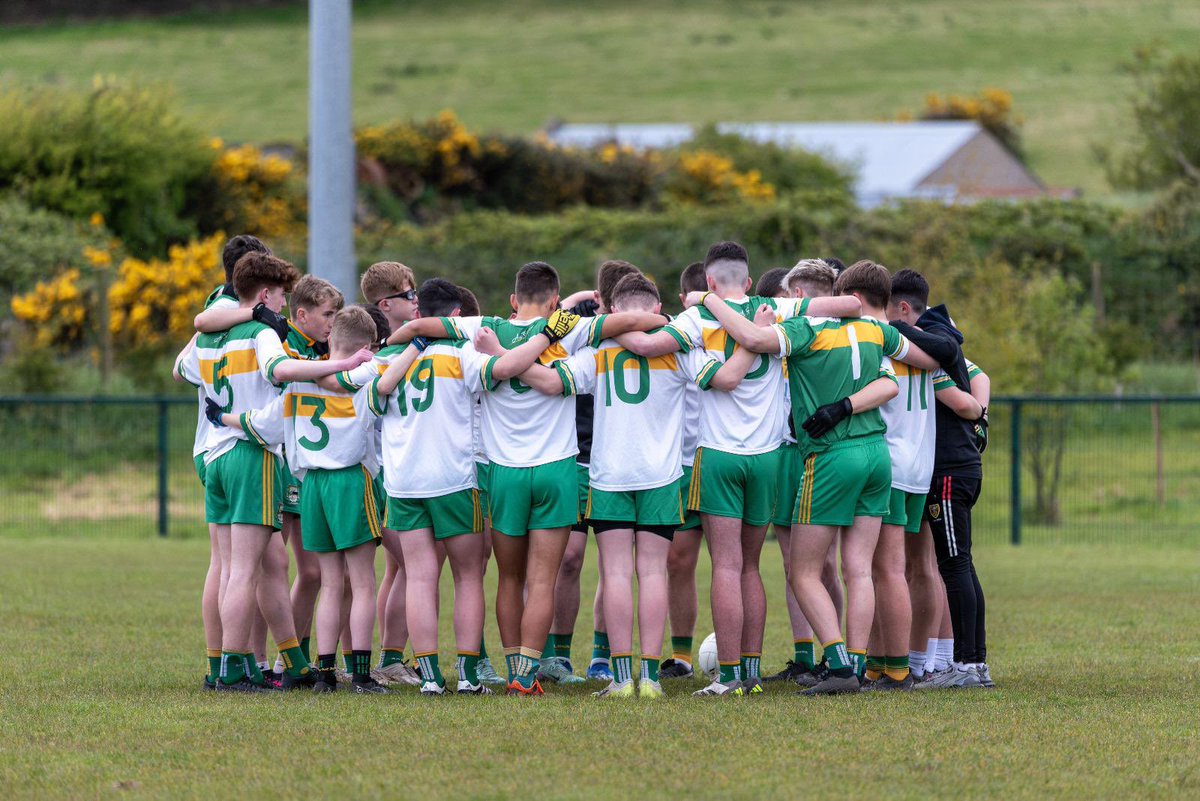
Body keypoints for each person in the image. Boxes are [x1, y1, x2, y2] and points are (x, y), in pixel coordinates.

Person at [392, 261, 668, 695]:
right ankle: (525, 677)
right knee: (543, 579)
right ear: (555, 301)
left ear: (513, 300)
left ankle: (508, 668)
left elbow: (411, 330)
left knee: (509, 578)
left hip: (504, 472)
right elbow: (631, 319)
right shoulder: (570, 330)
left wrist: (409, 335)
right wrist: (662, 319)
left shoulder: (487, 328)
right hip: (557, 469)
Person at [619, 242, 861, 697]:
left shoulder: (695, 320)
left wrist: (620, 321)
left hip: (720, 456)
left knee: (726, 567)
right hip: (769, 457)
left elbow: (646, 346)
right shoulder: (775, 307)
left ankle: (728, 675)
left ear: (709, 282)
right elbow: (850, 303)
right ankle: (750, 674)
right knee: (751, 566)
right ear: (748, 282)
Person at [692, 259, 939, 695]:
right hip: (877, 454)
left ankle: (839, 663)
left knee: (803, 571)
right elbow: (892, 384)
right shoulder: (873, 331)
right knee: (858, 569)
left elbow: (750, 337)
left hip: (830, 457)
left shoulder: (806, 332)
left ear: (809, 299)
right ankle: (859, 665)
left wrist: (707, 297)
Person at [187, 252, 372, 691]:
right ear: (266, 295)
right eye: (282, 295)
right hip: (252, 453)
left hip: (215, 454)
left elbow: (182, 366)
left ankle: (236, 665)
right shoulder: (260, 332)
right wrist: (341, 364)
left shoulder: (214, 336)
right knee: (245, 570)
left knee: (235, 565)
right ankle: (236, 668)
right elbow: (278, 369)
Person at [374, 279, 556, 695]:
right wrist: (547, 333)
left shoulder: (390, 355)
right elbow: (505, 370)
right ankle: (470, 675)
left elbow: (368, 397)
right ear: (456, 316)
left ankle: (431, 679)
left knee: (420, 577)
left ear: (419, 314)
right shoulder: (462, 351)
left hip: (404, 481)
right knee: (469, 575)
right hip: (453, 478)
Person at [213, 305, 390, 694]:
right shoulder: (366, 372)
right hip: (349, 480)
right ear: (367, 346)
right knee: (360, 582)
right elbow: (363, 377)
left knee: (329, 582)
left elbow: (259, 424)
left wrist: (222, 417)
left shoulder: (297, 380)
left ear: (331, 337)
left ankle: (323, 673)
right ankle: (360, 673)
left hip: (311, 487)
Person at [887, 270, 993, 689]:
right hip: (956, 468)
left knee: (954, 566)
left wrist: (977, 414)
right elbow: (978, 376)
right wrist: (978, 413)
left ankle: (967, 666)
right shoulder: (935, 333)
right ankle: (972, 664)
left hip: (950, 472)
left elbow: (963, 399)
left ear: (905, 309)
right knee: (959, 564)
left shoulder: (931, 339)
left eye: (893, 314)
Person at [540, 261, 637, 685]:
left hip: (620, 461)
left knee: (616, 563)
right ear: (600, 301)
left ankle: (602, 655)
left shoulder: (648, 334)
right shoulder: (573, 326)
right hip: (577, 458)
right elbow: (530, 326)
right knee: (569, 560)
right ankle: (558, 656)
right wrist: (573, 302)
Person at [347, 261, 422, 686]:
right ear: (386, 303)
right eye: (409, 295)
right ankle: (381, 660)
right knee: (407, 566)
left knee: (400, 568)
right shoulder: (380, 356)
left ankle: (385, 658)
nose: (417, 301)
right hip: (374, 477)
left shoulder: (399, 348)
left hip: (389, 476)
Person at [273, 274, 343, 677]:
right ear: (301, 314)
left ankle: (295, 660)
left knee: (313, 571)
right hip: (282, 464)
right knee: (270, 567)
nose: (332, 321)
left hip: (309, 471)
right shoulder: (280, 345)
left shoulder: (320, 348)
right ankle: (255, 659)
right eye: (326, 314)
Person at [659, 262, 708, 681]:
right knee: (679, 561)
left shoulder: (747, 326)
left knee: (742, 562)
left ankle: (744, 660)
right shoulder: (676, 333)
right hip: (683, 465)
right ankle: (682, 656)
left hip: (729, 457)